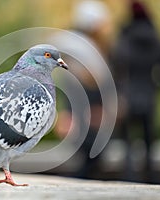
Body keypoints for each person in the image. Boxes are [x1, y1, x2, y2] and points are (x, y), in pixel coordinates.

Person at [110, 0, 160, 182]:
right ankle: (152, 177)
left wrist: (119, 91)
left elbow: (115, 68)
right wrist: (156, 87)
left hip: (127, 98)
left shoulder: (124, 38)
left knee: (128, 142)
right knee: (148, 142)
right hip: (148, 97)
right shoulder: (156, 38)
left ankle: (129, 177)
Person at [52, 0, 112, 179]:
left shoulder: (71, 43)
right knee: (91, 157)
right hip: (88, 112)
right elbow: (86, 81)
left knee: (90, 158)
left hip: (84, 112)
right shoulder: (83, 46)